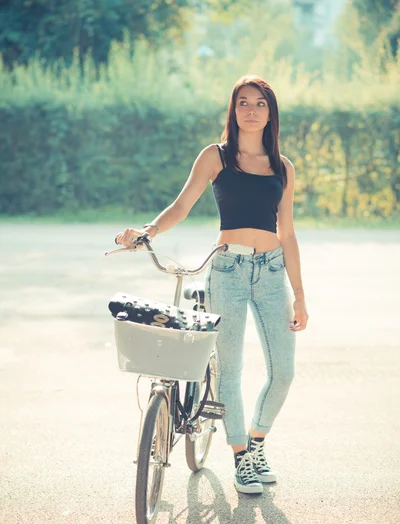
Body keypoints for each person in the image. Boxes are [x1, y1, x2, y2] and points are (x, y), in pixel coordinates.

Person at [115, 74, 309, 494]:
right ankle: (241, 457)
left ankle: (257, 444)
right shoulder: (215, 156)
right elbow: (181, 205)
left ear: (270, 112)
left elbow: (288, 232)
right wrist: (148, 230)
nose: (252, 110)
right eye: (244, 102)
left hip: (273, 272)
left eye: (260, 103)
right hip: (228, 272)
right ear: (233, 109)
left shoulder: (283, 167)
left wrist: (300, 295)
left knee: (284, 372)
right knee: (231, 372)